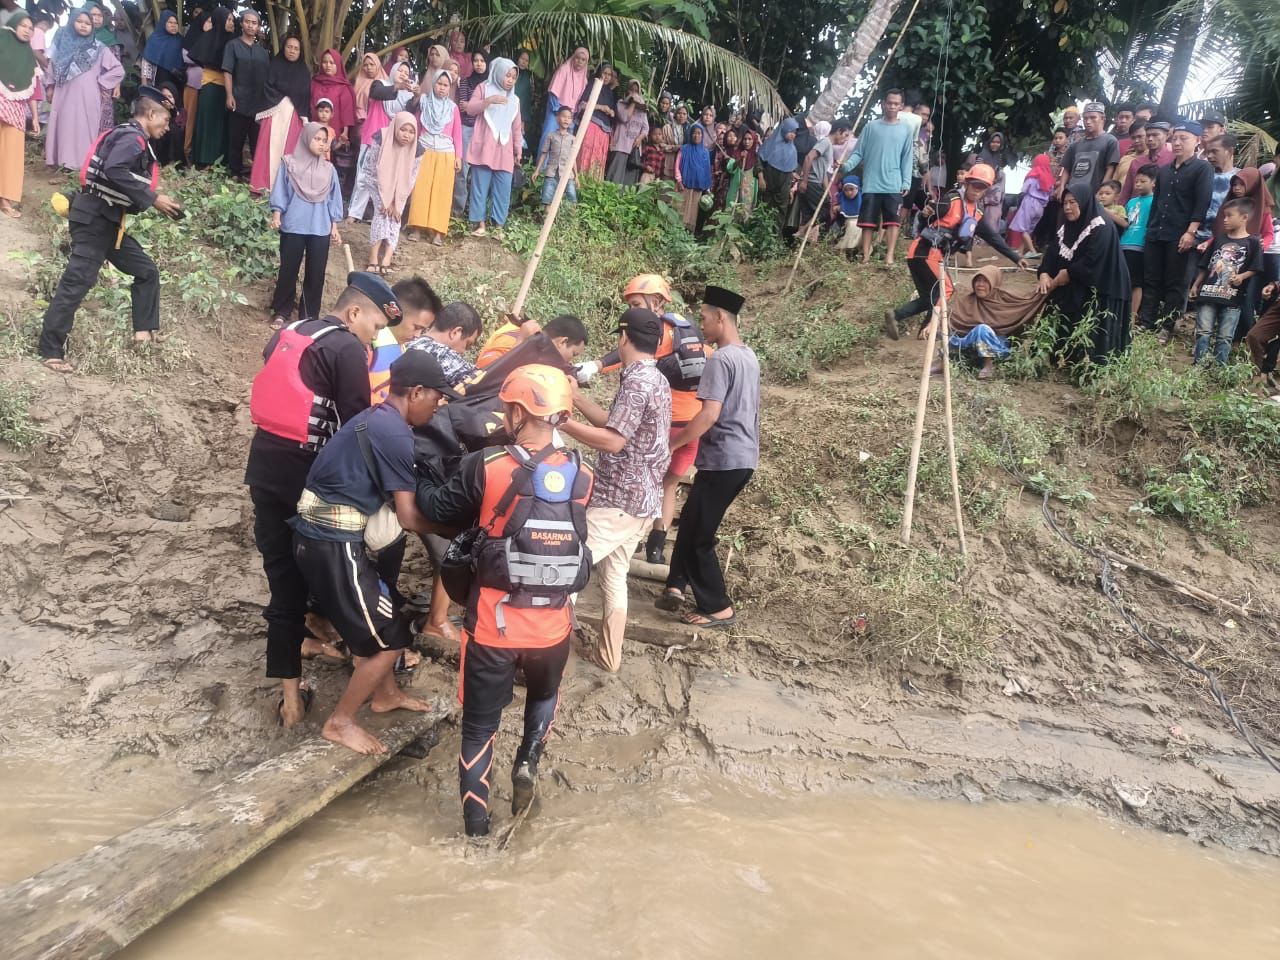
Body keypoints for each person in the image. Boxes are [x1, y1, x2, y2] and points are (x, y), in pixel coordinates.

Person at [416, 364, 595, 838]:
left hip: (493, 628)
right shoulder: (583, 475)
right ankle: (527, 764)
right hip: (554, 627)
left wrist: (420, 473)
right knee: (544, 695)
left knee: (478, 728)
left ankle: (476, 831)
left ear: (516, 411)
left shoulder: (489, 465)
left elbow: (436, 508)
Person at [247, 271, 399, 727]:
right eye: (374, 326)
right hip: (308, 480)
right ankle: (369, 658)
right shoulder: (347, 347)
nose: (373, 338)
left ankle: (290, 699)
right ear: (354, 312)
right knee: (345, 565)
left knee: (282, 579)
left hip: (263, 470)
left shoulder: (291, 331)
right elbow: (359, 425)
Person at [292, 350, 457, 754]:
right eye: (436, 398)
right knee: (391, 640)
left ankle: (385, 695)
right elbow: (408, 517)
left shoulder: (372, 418)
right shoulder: (396, 433)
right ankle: (340, 721)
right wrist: (457, 528)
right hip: (333, 546)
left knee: (385, 622)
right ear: (416, 391)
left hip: (321, 539)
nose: (438, 407)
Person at [38, 88, 180, 373]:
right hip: (95, 220)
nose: (167, 126)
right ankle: (50, 350)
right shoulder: (132, 137)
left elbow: (120, 176)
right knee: (77, 282)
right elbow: (116, 169)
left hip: (109, 223)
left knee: (146, 271)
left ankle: (144, 334)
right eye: (165, 119)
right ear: (150, 114)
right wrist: (153, 198)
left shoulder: (133, 138)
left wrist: (152, 198)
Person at [562, 308, 671, 673]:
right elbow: (616, 424)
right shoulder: (652, 378)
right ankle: (609, 656)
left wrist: (564, 422)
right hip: (642, 500)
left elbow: (612, 441)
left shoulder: (638, 383)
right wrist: (576, 399)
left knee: (570, 566)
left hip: (620, 501)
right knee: (614, 577)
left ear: (624, 338)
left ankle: (551, 652)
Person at [655, 286, 757, 629]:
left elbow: (709, 414)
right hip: (741, 457)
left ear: (720, 317)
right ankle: (676, 584)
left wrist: (671, 445)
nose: (702, 326)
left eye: (704, 318)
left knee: (699, 535)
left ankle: (718, 606)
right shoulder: (748, 356)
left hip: (724, 458)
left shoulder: (720, 359)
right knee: (693, 524)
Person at [885, 163, 1025, 339]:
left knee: (932, 296)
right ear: (967, 183)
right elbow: (925, 218)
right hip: (926, 252)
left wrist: (1016, 257)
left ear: (986, 190)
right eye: (974, 185)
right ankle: (929, 327)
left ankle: (903, 320)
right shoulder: (951, 200)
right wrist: (926, 213)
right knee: (946, 289)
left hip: (930, 255)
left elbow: (994, 238)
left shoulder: (978, 214)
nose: (976, 190)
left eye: (981, 187)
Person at [1037, 182, 1133, 362]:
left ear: (1084, 202)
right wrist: (1044, 273)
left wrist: (1062, 277)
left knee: (1094, 331)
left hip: (1103, 286)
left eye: (1073, 202)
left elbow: (1091, 263)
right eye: (1065, 203)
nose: (1067, 207)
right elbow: (1052, 252)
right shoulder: (1066, 226)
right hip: (1077, 281)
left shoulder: (1101, 227)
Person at [1138, 121, 1213, 343]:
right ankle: (1146, 321)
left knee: (1176, 282)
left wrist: (1191, 232)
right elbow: (1158, 202)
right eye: (1176, 138)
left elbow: (1202, 202)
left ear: (1197, 141)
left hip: (1180, 234)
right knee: (1151, 279)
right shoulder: (1164, 171)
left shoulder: (1202, 169)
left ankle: (1167, 326)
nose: (1178, 143)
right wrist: (1149, 230)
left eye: (1184, 138)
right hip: (1156, 232)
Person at [268, 122, 345, 327]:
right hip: (293, 224)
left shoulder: (329, 169)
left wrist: (334, 227)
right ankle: (282, 311)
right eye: (317, 139)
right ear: (305, 138)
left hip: (320, 228)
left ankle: (309, 316)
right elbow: (280, 192)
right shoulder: (289, 163)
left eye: (324, 140)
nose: (321, 144)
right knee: (288, 269)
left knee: (316, 273)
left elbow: (333, 199)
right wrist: (277, 214)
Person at [45, 6, 124, 174]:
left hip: (88, 96)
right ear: (71, 22)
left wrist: (102, 82)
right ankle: (65, 163)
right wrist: (50, 86)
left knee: (84, 127)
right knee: (64, 126)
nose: (83, 25)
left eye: (87, 23)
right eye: (79, 22)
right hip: (63, 94)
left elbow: (117, 70)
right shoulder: (63, 45)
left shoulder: (99, 48)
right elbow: (52, 66)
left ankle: (83, 164)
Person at [842, 89, 915, 265]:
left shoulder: (906, 129)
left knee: (893, 222)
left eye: (896, 103)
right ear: (883, 103)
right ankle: (866, 256)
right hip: (871, 183)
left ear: (901, 106)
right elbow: (858, 153)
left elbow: (907, 158)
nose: (892, 106)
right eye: (889, 102)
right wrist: (845, 166)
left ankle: (889, 256)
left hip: (893, 183)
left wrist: (906, 181)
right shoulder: (870, 127)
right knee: (867, 223)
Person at [1190, 198, 1263, 365]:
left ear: (1244, 217)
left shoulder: (1252, 242)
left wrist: (1241, 277)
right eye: (1224, 215)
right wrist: (1195, 285)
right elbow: (1206, 265)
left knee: (1225, 336)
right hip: (1209, 293)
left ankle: (1219, 370)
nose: (1225, 219)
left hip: (1233, 297)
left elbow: (1256, 267)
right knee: (1203, 332)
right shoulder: (1218, 239)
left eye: (1230, 216)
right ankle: (1198, 366)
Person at [941, 266, 1046, 379]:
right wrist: (933, 325)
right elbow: (952, 321)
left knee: (982, 330)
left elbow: (1029, 301)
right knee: (949, 334)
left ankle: (988, 365)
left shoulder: (1005, 299)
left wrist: (1051, 283)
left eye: (985, 281)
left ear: (994, 283)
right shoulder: (968, 300)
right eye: (978, 280)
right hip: (970, 346)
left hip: (998, 349)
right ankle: (942, 364)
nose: (980, 284)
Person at [401, 68, 459, 246]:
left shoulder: (453, 108)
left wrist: (459, 157)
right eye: (439, 84)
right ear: (433, 84)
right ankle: (417, 229)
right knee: (421, 189)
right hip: (424, 149)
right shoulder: (424, 102)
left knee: (442, 193)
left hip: (446, 152)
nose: (442, 88)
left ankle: (438, 233)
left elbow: (457, 134)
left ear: (450, 87)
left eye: (446, 85)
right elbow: (416, 126)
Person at [465, 56, 522, 238]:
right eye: (507, 76)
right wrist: (488, 101)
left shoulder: (515, 99)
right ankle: (480, 224)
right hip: (484, 145)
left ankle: (498, 226)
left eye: (513, 77)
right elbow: (470, 109)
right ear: (498, 73)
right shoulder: (484, 88)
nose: (510, 80)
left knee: (503, 188)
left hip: (504, 149)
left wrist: (517, 150)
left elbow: (517, 127)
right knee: (480, 186)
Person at [1214, 169, 1274, 340]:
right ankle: (1226, 337)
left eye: (1242, 184)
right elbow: (1219, 232)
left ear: (1253, 185)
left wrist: (1263, 244)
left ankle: (1244, 338)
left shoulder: (1262, 208)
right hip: (1228, 260)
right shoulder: (1230, 204)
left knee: (1247, 301)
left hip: (1251, 261)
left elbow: (1268, 233)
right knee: (1225, 296)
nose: (1237, 188)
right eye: (1234, 184)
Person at [360, 112, 423, 273]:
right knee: (381, 213)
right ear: (396, 127)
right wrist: (386, 199)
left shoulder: (417, 149)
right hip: (377, 184)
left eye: (411, 131)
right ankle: (373, 257)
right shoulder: (381, 137)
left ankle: (387, 259)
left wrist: (396, 202)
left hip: (401, 190)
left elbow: (411, 178)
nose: (407, 135)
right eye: (403, 129)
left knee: (396, 217)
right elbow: (371, 167)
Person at [249, 36, 311, 195]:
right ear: (284, 48)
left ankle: (284, 190)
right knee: (268, 147)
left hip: (293, 116)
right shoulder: (274, 65)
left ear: (300, 52)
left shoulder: (304, 72)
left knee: (289, 151)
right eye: (289, 47)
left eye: (296, 48)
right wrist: (282, 100)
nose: (292, 51)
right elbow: (268, 87)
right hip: (274, 111)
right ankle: (262, 185)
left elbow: (304, 96)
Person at [369, 276, 442, 403]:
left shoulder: (398, 346)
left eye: (422, 330)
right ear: (396, 312)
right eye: (416, 327)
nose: (417, 335)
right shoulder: (373, 346)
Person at [0, 9, 39, 219]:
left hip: (16, 110)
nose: (27, 31)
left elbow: (33, 88)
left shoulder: (28, 55)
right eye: (23, 25)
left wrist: (34, 117)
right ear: (14, 23)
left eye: (31, 28)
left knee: (12, 156)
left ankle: (5, 199)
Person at [220, 9, 268, 179]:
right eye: (247, 21)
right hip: (238, 100)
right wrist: (229, 95)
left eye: (254, 23)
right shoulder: (232, 46)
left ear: (258, 26)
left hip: (258, 103)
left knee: (257, 141)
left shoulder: (262, 52)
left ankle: (257, 176)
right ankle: (235, 172)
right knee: (236, 140)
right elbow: (227, 71)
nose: (250, 25)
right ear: (241, 24)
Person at [188, 6, 234, 167]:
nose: (231, 23)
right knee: (207, 122)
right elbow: (199, 57)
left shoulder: (233, 41)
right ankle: (202, 159)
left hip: (227, 88)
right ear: (220, 20)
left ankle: (219, 161)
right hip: (209, 86)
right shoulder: (207, 37)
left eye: (232, 20)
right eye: (229, 19)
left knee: (222, 125)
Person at [476, 312, 587, 370]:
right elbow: (483, 374)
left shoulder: (538, 353)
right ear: (562, 342)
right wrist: (520, 342)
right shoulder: (511, 339)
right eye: (573, 354)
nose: (569, 361)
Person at [451, 50, 487, 217]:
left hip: (485, 131)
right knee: (462, 170)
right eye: (476, 60)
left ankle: (474, 211)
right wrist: (481, 105)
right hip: (466, 129)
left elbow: (472, 107)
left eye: (482, 60)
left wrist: (474, 106)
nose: (479, 64)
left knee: (480, 171)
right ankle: (458, 209)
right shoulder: (465, 82)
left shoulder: (491, 85)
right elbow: (465, 108)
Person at [1058, 101, 1118, 199]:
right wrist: (1061, 188)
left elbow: (1110, 169)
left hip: (1092, 196)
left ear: (1103, 119)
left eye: (1093, 117)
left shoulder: (1110, 141)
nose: (1088, 121)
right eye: (1085, 118)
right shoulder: (1075, 145)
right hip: (1071, 195)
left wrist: (1101, 192)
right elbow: (1066, 169)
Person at [1121, 163, 1158, 317]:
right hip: (1123, 244)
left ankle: (1133, 315)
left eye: (1143, 181)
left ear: (1153, 183)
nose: (1138, 184)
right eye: (1137, 181)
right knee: (1122, 279)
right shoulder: (1131, 202)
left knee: (1136, 282)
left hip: (1140, 246)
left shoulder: (1155, 201)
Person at [538, 46, 588, 156]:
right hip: (556, 110)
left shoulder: (584, 79)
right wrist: (558, 112)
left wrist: (572, 116)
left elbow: (580, 101)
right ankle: (542, 170)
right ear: (573, 58)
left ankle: (558, 171)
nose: (579, 61)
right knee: (549, 137)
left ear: (586, 62)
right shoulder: (564, 69)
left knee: (565, 142)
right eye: (577, 58)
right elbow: (553, 92)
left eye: (583, 60)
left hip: (570, 116)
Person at [311, 47, 355, 157]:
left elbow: (347, 112)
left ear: (338, 65)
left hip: (334, 131)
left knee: (329, 157)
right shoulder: (314, 82)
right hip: (314, 129)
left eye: (332, 62)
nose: (328, 65)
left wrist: (345, 133)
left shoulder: (343, 87)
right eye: (325, 62)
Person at [575, 62, 615, 178]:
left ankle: (592, 185)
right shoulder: (593, 84)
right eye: (605, 73)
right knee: (586, 153)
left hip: (603, 131)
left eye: (609, 74)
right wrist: (601, 107)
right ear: (599, 72)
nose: (607, 76)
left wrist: (611, 112)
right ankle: (580, 180)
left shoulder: (609, 92)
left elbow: (611, 110)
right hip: (591, 125)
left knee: (598, 158)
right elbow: (582, 104)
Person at [1009, 153, 1055, 254]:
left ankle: (1032, 251)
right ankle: (1021, 251)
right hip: (1041, 207)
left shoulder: (1033, 175)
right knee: (1029, 229)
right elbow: (1051, 194)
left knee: (1022, 228)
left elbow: (1024, 189)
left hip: (1029, 202)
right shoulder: (1050, 178)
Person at [1198, 133, 1239, 249]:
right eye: (1207, 152)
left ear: (1230, 152)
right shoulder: (1201, 175)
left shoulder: (1240, 178)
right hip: (1197, 238)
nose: (1209, 156)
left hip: (1226, 241)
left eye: (1214, 151)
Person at [606, 79, 648, 186]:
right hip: (620, 146)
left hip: (634, 149)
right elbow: (624, 117)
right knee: (615, 179)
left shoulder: (642, 111)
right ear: (627, 91)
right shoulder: (620, 104)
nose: (634, 93)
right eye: (631, 90)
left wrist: (639, 139)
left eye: (636, 91)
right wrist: (633, 102)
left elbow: (646, 128)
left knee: (628, 182)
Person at [1119, 119, 1172, 203]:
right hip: (1136, 210)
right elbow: (1126, 192)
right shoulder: (1136, 163)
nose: (1150, 139)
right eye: (1148, 135)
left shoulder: (1174, 159)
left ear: (1167, 135)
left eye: (1155, 135)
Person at [757, 116, 799, 217]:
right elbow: (759, 161)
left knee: (779, 213)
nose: (793, 135)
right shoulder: (770, 144)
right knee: (763, 210)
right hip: (768, 184)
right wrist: (761, 178)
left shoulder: (793, 150)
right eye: (790, 131)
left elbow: (790, 172)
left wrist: (790, 189)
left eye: (794, 132)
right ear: (784, 129)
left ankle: (776, 233)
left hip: (783, 189)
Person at [535, 104, 577, 205]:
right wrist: (537, 170)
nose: (566, 120)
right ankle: (547, 218)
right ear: (557, 117)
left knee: (572, 199)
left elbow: (573, 159)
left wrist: (576, 175)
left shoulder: (572, 139)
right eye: (564, 116)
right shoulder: (551, 136)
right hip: (551, 172)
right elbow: (544, 154)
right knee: (547, 199)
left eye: (569, 117)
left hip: (567, 174)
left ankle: (571, 219)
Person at [675, 124, 711, 231]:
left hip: (698, 188)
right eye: (694, 133)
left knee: (692, 211)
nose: (696, 136)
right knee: (680, 208)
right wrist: (679, 181)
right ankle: (675, 232)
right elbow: (677, 165)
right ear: (690, 135)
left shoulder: (705, 153)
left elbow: (707, 170)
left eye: (699, 133)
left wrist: (707, 188)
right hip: (683, 185)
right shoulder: (684, 149)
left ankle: (688, 235)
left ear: (702, 135)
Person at [974, 130, 1011, 232]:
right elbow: (977, 171)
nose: (995, 144)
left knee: (989, 218)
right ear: (989, 142)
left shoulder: (998, 157)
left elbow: (997, 173)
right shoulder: (982, 154)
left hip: (991, 192)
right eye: (993, 141)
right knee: (977, 215)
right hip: (980, 188)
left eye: (998, 142)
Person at [139, 10, 185, 91]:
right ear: (163, 23)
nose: (174, 25)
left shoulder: (180, 40)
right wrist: (145, 84)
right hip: (160, 78)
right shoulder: (154, 39)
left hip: (177, 79)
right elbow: (147, 62)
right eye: (170, 22)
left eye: (175, 23)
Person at [834, 173, 863, 257]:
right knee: (851, 225)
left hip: (860, 224)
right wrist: (837, 208)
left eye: (851, 189)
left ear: (857, 188)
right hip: (845, 224)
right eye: (846, 190)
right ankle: (842, 251)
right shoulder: (841, 198)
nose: (849, 192)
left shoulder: (863, 198)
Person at [513, 48, 536, 149]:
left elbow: (527, 99)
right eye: (522, 58)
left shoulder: (529, 76)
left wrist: (523, 119)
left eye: (526, 60)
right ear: (517, 58)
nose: (523, 62)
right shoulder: (511, 72)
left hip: (521, 113)